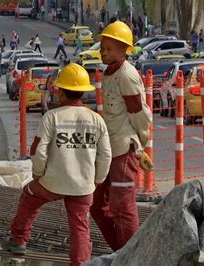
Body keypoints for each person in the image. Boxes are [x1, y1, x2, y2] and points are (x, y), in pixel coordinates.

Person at [3, 63, 112, 266]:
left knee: (29, 196)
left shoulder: (51, 117)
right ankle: (80, 263)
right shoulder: (96, 120)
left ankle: (18, 240)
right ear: (83, 92)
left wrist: (38, 174)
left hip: (51, 183)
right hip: (83, 187)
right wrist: (97, 180)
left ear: (60, 92)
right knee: (80, 226)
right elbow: (106, 155)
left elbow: (38, 151)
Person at [89, 21, 153, 252]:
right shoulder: (110, 73)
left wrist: (141, 145)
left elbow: (139, 112)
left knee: (122, 205)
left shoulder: (127, 75)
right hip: (109, 148)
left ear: (124, 50)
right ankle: (120, 250)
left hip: (124, 150)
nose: (104, 53)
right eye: (103, 48)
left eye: (109, 49)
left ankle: (131, 255)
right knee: (97, 204)